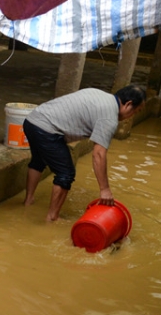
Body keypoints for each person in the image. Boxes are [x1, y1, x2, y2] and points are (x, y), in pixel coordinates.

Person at [22, 84, 146, 222]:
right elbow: (98, 154)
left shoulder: (100, 95)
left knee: (38, 161)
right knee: (66, 174)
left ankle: (28, 201)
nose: (131, 116)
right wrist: (104, 189)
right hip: (46, 129)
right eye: (136, 111)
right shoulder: (109, 118)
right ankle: (52, 218)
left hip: (31, 120)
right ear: (128, 104)